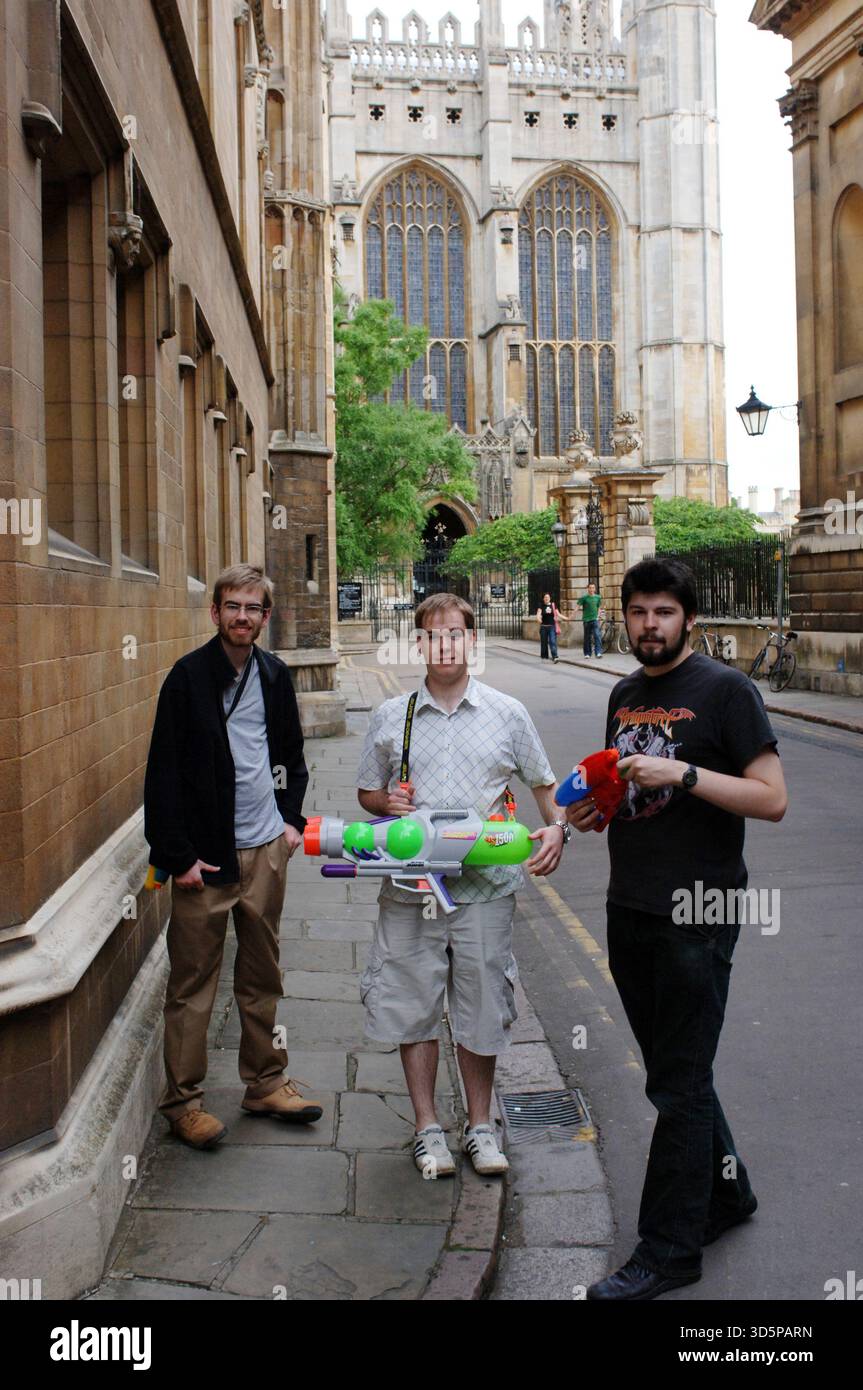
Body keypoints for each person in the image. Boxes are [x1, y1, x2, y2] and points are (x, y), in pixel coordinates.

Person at [566, 557, 787, 1301]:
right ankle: (726, 1194)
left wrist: (684, 776)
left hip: (700, 911)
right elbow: (618, 798)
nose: (648, 625)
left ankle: (668, 1251)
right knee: (676, 1073)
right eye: (637, 612)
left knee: (679, 1084)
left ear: (687, 618)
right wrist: (590, 810)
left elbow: (770, 798)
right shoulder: (625, 695)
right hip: (629, 906)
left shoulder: (727, 691)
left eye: (662, 612)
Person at [356, 593, 570, 1178]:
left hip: (485, 888)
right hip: (411, 890)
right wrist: (385, 801)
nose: (444, 643)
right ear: (418, 643)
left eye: (455, 633)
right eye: (432, 634)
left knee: (481, 1008)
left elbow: (547, 791)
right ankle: (427, 1129)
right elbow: (367, 794)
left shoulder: (507, 713)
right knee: (412, 1006)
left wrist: (557, 832)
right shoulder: (391, 717)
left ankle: (481, 1127)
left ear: (471, 641)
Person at [144, 564, 323, 1150]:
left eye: (253, 608)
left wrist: (291, 824)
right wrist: (178, 857)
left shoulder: (272, 674)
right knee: (193, 985)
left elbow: (291, 754)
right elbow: (162, 775)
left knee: (261, 975)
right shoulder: (187, 678)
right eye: (233, 606)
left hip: (265, 850)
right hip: (206, 860)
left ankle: (265, 1082)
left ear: (265, 616)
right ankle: (184, 1103)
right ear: (215, 612)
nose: (243, 617)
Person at [535, 591, 571, 663]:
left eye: (548, 597)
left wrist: (567, 618)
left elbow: (558, 614)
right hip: (543, 627)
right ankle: (544, 657)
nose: (546, 598)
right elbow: (538, 614)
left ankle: (555, 656)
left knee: (552, 641)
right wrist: (538, 619)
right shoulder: (541, 606)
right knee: (544, 643)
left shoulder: (553, 605)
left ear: (550, 598)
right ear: (543, 599)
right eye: (545, 597)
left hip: (552, 626)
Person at [577, 582, 604, 658]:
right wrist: (571, 616)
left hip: (595, 619)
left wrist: (598, 616)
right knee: (587, 637)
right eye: (590, 588)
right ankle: (587, 653)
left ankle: (598, 652)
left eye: (593, 588)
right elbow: (577, 606)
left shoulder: (598, 597)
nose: (591, 589)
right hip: (586, 620)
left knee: (597, 636)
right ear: (588, 589)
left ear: (595, 589)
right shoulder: (584, 598)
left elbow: (599, 607)